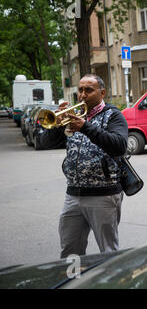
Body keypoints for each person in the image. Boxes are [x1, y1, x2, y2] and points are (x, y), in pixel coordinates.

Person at [40, 74, 128, 258]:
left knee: (108, 252)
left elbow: (120, 146)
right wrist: (57, 124)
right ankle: (74, 283)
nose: (82, 95)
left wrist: (86, 127)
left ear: (102, 92)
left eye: (89, 90)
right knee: (70, 250)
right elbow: (46, 143)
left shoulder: (113, 115)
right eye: (80, 90)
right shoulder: (73, 116)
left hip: (103, 195)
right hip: (73, 195)